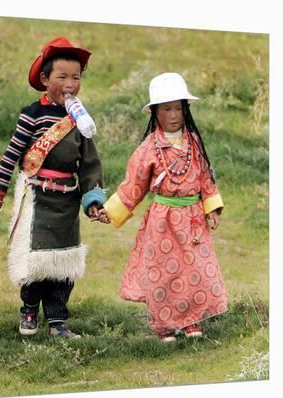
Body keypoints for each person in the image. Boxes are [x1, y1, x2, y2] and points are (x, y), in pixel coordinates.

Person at [0, 36, 106, 339]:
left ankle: (57, 319)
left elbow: (90, 163)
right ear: (44, 79)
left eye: (76, 77)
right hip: (37, 198)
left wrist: (92, 200)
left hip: (67, 200)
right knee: (36, 260)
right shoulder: (32, 115)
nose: (70, 83)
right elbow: (11, 157)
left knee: (64, 261)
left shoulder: (80, 119)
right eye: (62, 76)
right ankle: (29, 309)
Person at [97, 72, 228, 342]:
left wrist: (211, 207)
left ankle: (191, 320)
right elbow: (133, 185)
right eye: (166, 109)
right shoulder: (148, 149)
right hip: (163, 221)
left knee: (195, 270)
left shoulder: (194, 143)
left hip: (193, 221)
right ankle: (164, 326)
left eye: (178, 108)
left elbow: (205, 177)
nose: (173, 115)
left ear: (185, 109)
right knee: (165, 274)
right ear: (155, 112)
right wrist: (110, 212)